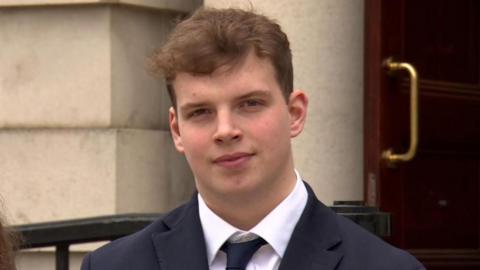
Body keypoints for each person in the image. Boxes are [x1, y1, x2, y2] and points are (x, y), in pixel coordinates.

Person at [81, 7, 425, 270]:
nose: (226, 130)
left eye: (250, 104)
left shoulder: (385, 267)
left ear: (295, 113)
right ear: (176, 130)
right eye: (201, 111)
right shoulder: (114, 266)